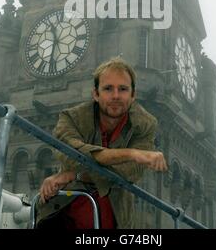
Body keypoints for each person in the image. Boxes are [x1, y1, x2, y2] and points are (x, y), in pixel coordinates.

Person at [36, 57, 168, 229]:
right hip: (61, 214)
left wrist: (74, 175)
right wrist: (131, 153)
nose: (115, 96)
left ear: (133, 95)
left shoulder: (145, 125)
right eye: (108, 88)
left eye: (123, 89)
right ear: (95, 94)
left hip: (114, 219)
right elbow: (70, 155)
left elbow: (128, 172)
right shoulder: (71, 118)